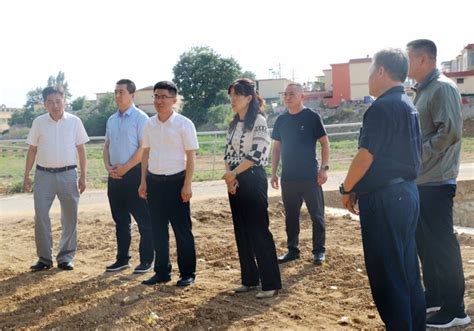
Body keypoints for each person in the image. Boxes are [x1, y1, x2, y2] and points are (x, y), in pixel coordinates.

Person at [340, 48, 425, 330]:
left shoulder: (382, 107)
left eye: (370, 71)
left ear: (380, 71)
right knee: (407, 271)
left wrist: (346, 187)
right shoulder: (407, 103)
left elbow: (365, 157)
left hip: (387, 199)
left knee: (388, 274)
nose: (368, 79)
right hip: (407, 194)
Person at [407, 39, 470, 328]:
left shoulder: (442, 87)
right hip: (422, 180)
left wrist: (415, 155)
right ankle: (434, 297)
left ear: (423, 60)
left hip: (437, 180)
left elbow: (450, 133)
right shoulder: (423, 90)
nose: (405, 65)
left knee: (442, 245)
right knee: (425, 244)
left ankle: (455, 309)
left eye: (409, 58)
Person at [222, 78, 282, 299]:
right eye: (231, 95)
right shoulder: (233, 123)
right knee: (242, 231)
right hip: (235, 179)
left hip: (252, 178)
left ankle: (271, 283)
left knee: (258, 230)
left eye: (236, 95)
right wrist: (230, 177)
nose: (232, 99)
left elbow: (257, 154)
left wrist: (234, 173)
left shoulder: (259, 121)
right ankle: (249, 279)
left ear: (248, 97)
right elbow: (227, 154)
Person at [138, 81, 198, 287]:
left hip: (177, 182)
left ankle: (187, 273)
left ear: (174, 100)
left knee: (182, 230)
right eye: (156, 96)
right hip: (154, 183)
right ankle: (162, 272)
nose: (159, 100)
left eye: (164, 97)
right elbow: (145, 153)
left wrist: (187, 185)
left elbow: (191, 157)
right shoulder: (149, 124)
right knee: (158, 230)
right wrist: (143, 181)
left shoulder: (184, 124)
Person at [24, 86, 89, 272]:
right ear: (44, 104)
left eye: (58, 101)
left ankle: (65, 257)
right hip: (43, 175)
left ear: (65, 101)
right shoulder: (39, 122)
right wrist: (27, 175)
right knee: (41, 216)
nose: (55, 105)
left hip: (68, 174)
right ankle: (44, 258)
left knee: (70, 217)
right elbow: (32, 150)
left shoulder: (75, 122)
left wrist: (83, 176)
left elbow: (81, 150)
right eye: (50, 102)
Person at [271, 82, 329, 265]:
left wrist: (324, 168)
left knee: (317, 216)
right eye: (286, 94)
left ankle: (319, 251)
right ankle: (292, 250)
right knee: (291, 216)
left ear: (302, 97)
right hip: (288, 178)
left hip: (310, 177)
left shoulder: (312, 117)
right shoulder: (281, 120)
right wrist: (273, 173)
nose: (288, 97)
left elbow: (325, 143)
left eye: (292, 94)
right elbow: (276, 149)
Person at [103, 79, 154, 273]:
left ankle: (147, 260)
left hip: (134, 174)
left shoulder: (141, 119)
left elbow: (144, 148)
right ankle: (122, 259)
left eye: (121, 92)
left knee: (144, 220)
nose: (117, 95)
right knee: (121, 220)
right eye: (115, 92)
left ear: (132, 95)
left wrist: (125, 168)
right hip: (114, 176)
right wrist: (108, 166)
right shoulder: (111, 119)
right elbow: (107, 146)